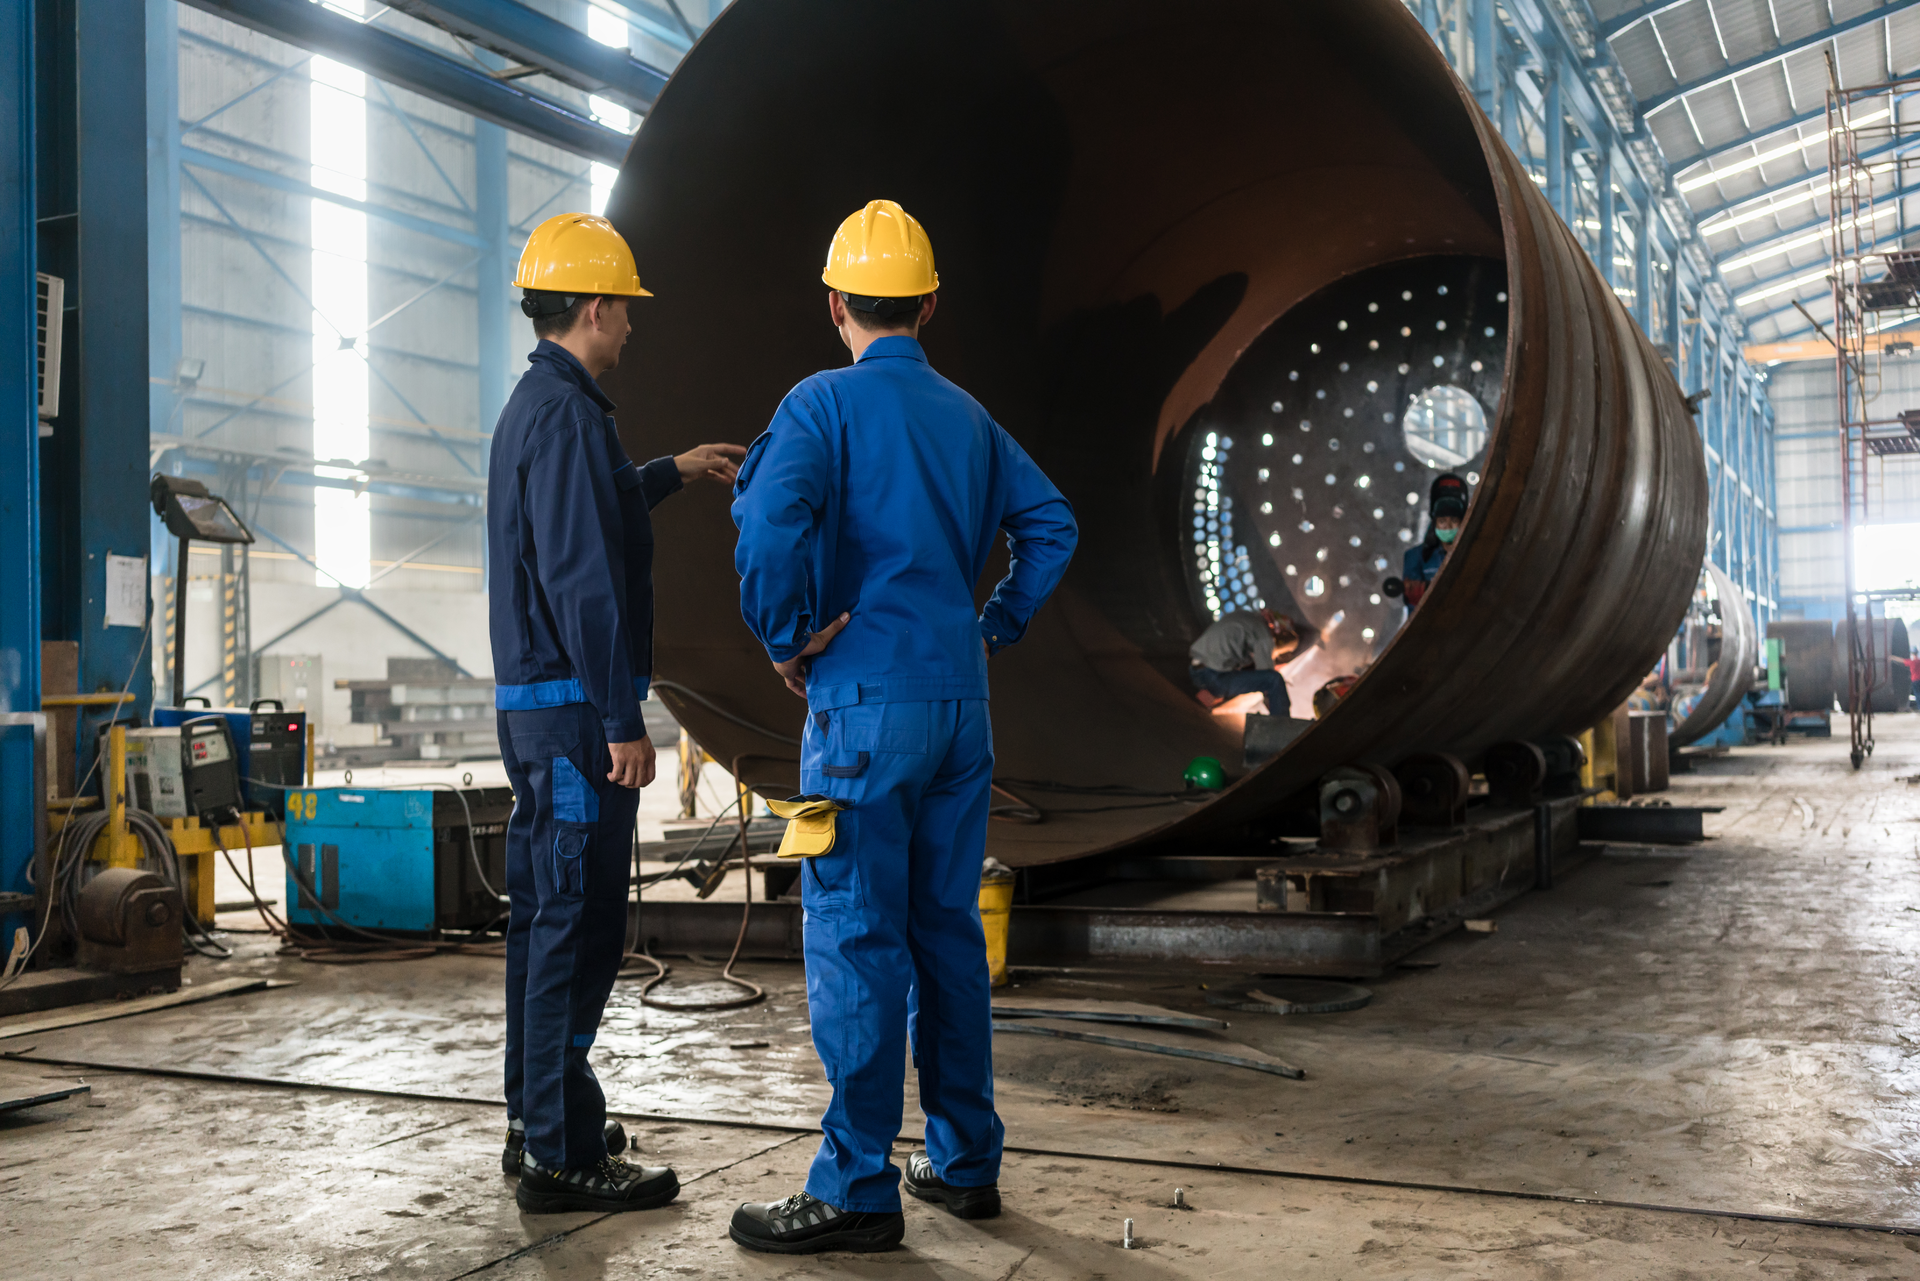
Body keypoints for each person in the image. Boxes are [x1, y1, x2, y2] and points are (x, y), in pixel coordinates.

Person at [726, 199, 1078, 1254]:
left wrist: (790, 636)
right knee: (947, 936)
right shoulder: (972, 419)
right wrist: (994, 624)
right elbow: (1051, 526)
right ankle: (966, 1164)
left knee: (856, 938)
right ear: (930, 304)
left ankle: (855, 1187)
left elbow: (766, 521)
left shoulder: (820, 404)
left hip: (861, 711)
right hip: (960, 708)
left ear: (835, 303)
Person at [487, 212, 745, 1214]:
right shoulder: (564, 415)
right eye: (626, 311)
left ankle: (539, 1115)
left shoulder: (551, 410)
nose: (633, 327)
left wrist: (667, 473)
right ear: (594, 308)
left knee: (547, 924)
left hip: (546, 713)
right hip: (571, 721)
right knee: (573, 925)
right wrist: (621, 719)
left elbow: (586, 516)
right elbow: (582, 580)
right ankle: (561, 1150)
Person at [1188, 608, 1300, 715]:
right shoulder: (1263, 634)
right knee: (1274, 680)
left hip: (1196, 670)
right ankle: (1282, 726)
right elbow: (1267, 676)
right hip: (1213, 676)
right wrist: (1274, 702)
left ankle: (1212, 693)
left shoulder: (1244, 616)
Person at [1398, 472, 1471, 611]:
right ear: (1435, 523)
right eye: (1442, 521)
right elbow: (1412, 599)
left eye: (1454, 521)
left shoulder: (1473, 556)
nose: (1448, 527)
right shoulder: (1415, 557)